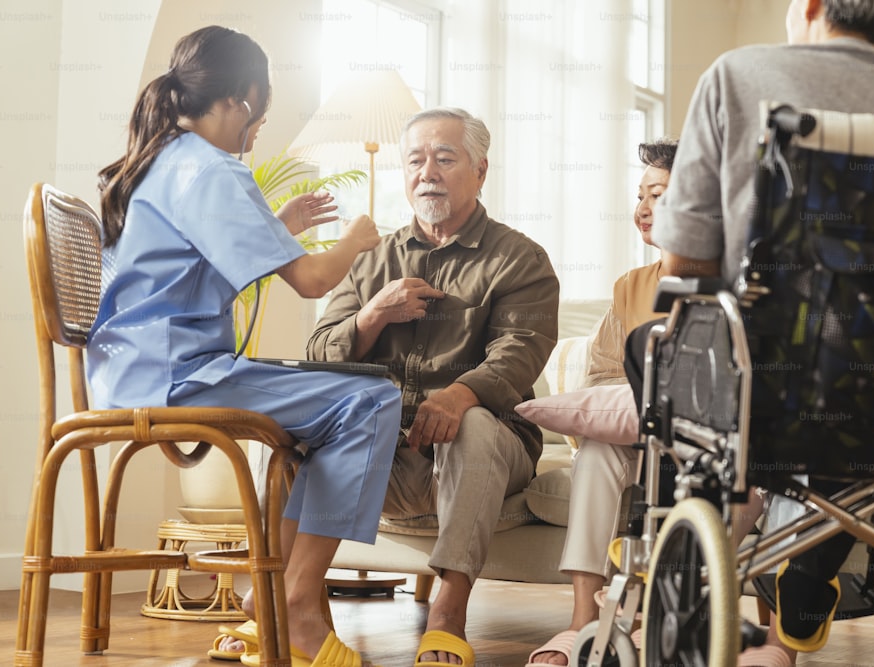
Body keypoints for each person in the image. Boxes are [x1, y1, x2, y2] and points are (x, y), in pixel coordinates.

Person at [638, 1, 874, 665]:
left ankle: (717, 539)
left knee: (658, 343)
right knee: (862, 395)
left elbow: (685, 263)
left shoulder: (739, 76)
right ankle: (811, 570)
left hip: (770, 389)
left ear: (815, 6)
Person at [88, 25, 401, 667]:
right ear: (239, 98)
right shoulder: (211, 168)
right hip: (181, 374)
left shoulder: (158, 159)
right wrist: (357, 238)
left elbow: (195, 263)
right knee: (372, 400)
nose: (257, 130)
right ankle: (300, 607)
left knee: (333, 412)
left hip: (128, 372)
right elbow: (312, 279)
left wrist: (279, 226)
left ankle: (273, 598)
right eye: (259, 113)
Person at [306, 106, 560, 666]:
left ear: (480, 170)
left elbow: (521, 352)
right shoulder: (370, 260)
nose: (429, 172)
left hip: (484, 452)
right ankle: (294, 610)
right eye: (416, 160)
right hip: (386, 460)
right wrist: (371, 316)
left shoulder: (521, 259)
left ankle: (447, 614)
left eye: (445, 159)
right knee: (291, 419)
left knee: (470, 420)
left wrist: (460, 393)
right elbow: (320, 349)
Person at [524, 138, 676, 666]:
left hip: (708, 448)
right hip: (639, 443)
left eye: (657, 194)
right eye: (640, 196)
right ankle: (583, 621)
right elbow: (603, 376)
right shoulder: (631, 287)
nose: (642, 209)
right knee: (596, 452)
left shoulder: (735, 285)